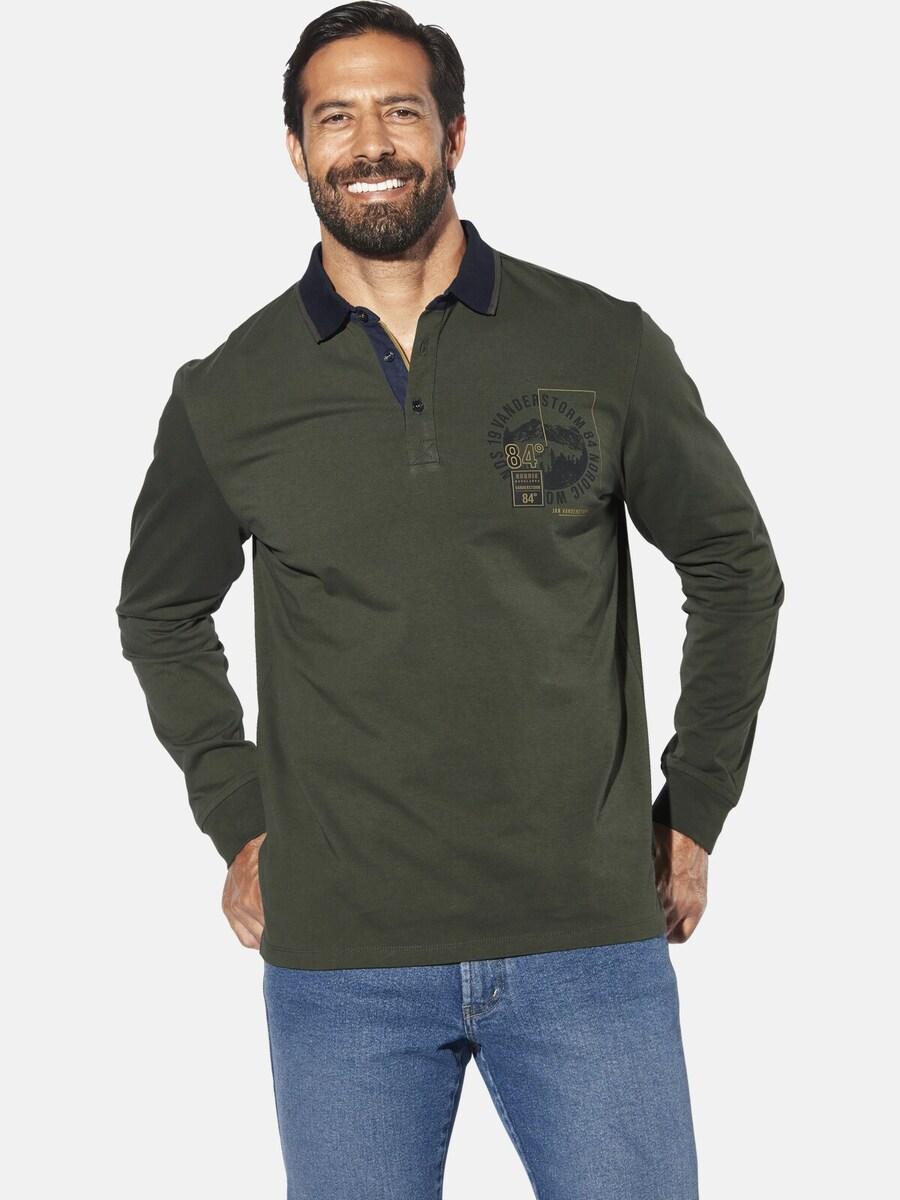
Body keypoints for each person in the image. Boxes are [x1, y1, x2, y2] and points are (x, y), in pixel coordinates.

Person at [115, 3, 785, 1196]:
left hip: (586, 941)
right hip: (344, 967)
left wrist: (698, 805)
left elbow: (733, 565)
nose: (370, 143)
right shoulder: (230, 393)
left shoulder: (599, 344)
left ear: (455, 133)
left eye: (401, 111)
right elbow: (161, 611)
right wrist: (238, 815)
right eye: (336, 117)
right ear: (295, 148)